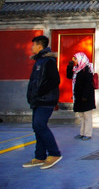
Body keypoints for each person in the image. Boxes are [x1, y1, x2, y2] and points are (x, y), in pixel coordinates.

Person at [23, 35, 62, 170]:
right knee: (37, 127)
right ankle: (40, 156)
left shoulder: (48, 61)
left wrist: (40, 92)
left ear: (40, 46)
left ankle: (54, 153)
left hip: (46, 100)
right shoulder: (38, 61)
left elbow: (55, 80)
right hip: (37, 100)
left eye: (33, 45)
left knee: (39, 125)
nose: (31, 47)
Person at [66, 52, 96, 140]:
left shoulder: (87, 69)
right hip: (78, 95)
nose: (74, 60)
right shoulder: (77, 69)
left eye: (75, 59)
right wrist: (70, 66)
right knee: (81, 115)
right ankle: (82, 132)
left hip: (86, 96)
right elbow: (69, 76)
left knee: (87, 115)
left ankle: (88, 133)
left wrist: (85, 96)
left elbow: (88, 84)